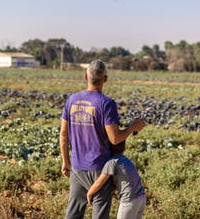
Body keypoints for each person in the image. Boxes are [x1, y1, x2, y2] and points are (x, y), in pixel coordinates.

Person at [60, 60, 146, 219]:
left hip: (77, 167)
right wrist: (132, 127)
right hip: (100, 168)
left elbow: (64, 134)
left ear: (85, 76)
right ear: (105, 79)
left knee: (72, 214)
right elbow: (115, 138)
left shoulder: (72, 100)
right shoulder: (106, 103)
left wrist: (65, 161)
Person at [87, 140, 146, 219]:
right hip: (141, 198)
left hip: (129, 200)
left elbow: (99, 182)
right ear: (124, 148)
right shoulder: (126, 160)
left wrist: (89, 193)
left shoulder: (112, 162)